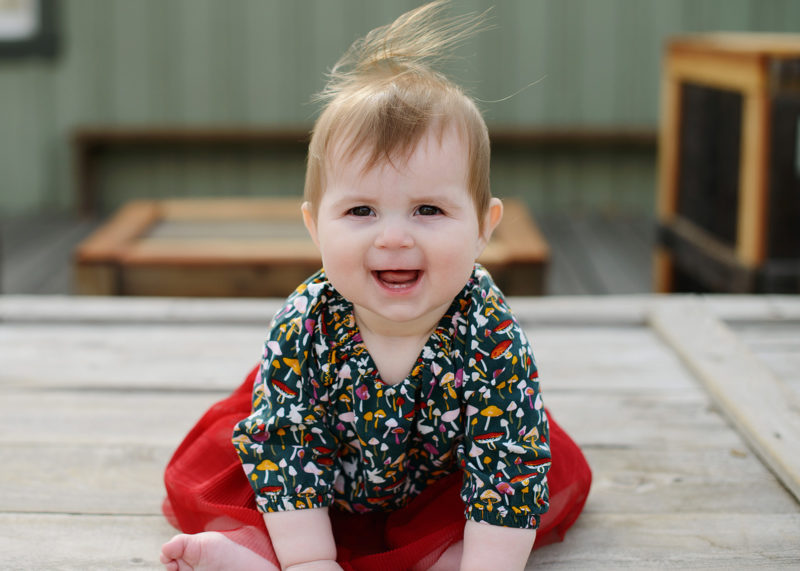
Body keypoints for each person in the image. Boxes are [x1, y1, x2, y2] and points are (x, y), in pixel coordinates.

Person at [160, 2, 591, 570]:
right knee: (249, 472)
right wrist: (311, 562)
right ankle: (257, 553)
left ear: (485, 227)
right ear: (315, 227)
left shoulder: (488, 329)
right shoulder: (306, 321)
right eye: (361, 209)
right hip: (318, 481)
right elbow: (287, 450)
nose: (393, 237)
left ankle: (449, 556)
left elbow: (503, 463)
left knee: (536, 468)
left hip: (442, 479)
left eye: (429, 210)